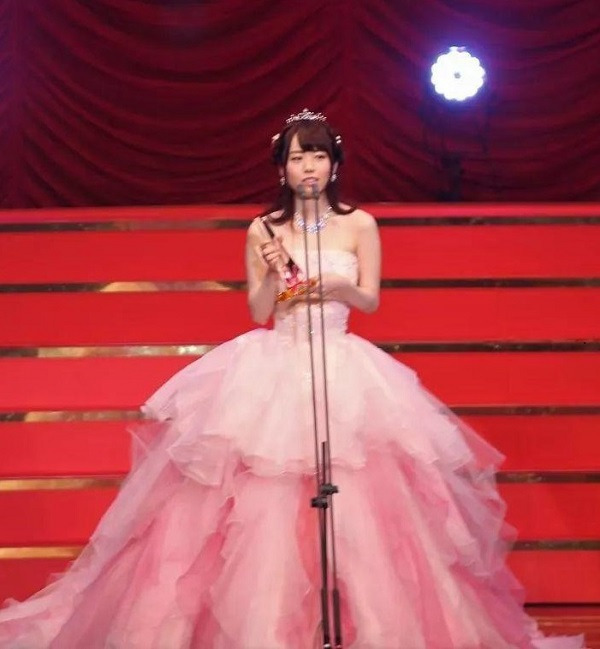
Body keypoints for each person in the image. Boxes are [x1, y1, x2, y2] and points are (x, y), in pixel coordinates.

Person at [0, 110, 585, 649]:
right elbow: (259, 310)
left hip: (342, 364)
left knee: (365, 502)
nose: (309, 167)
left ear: (335, 165)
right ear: (282, 168)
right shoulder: (263, 229)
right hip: (275, 363)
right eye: (298, 157)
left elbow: (370, 299)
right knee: (262, 503)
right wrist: (274, 274)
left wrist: (334, 285)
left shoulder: (360, 225)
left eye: (319, 156)